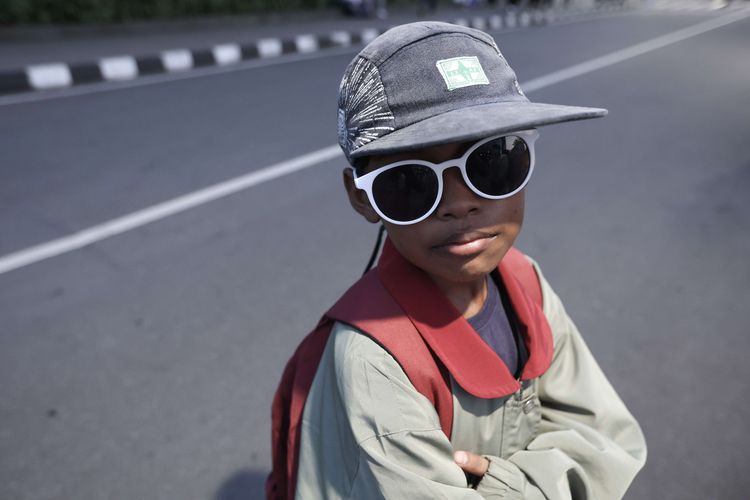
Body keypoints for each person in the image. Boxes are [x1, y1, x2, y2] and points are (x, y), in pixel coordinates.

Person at [286, 21, 647, 498]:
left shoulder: (525, 282)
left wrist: (511, 485)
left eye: (492, 161)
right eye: (411, 182)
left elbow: (607, 439)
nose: (460, 204)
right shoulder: (375, 361)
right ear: (363, 198)